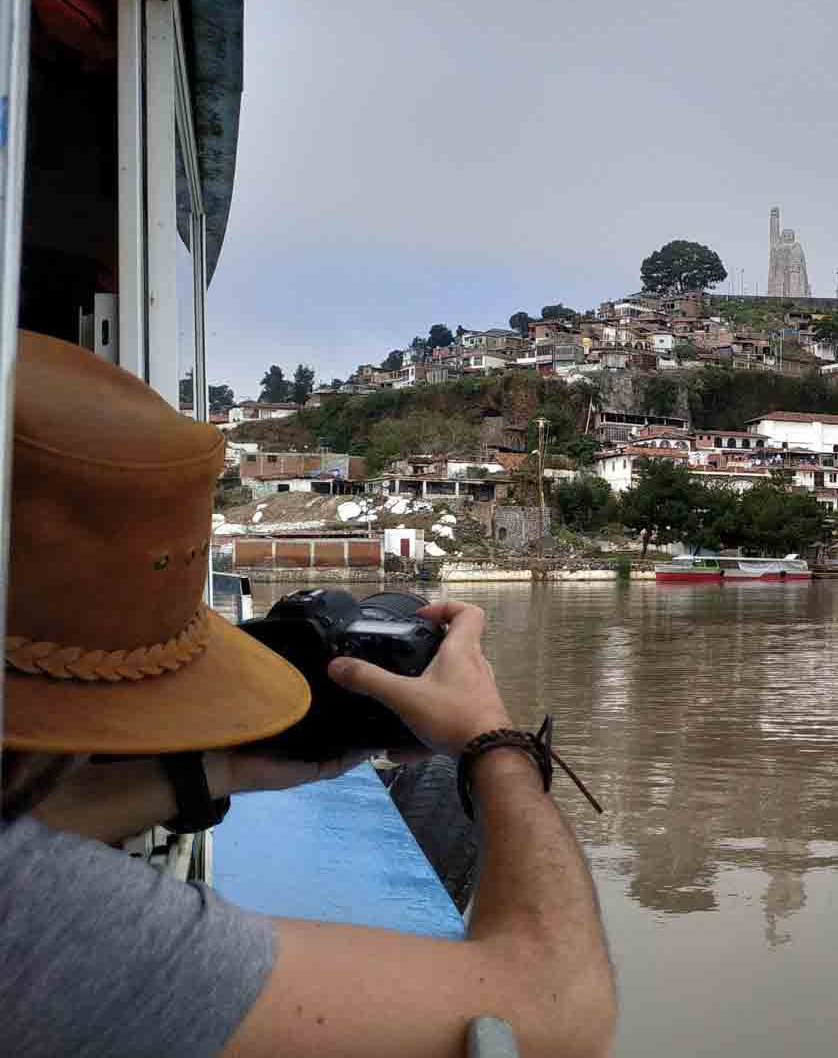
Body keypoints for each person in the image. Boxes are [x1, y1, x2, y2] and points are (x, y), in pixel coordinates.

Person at [0, 332, 616, 1056]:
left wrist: (220, 768)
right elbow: (557, 1009)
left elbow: (28, 835)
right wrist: (493, 743)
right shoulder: (34, 928)